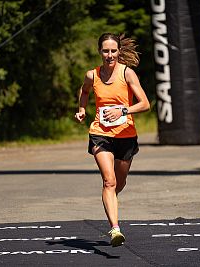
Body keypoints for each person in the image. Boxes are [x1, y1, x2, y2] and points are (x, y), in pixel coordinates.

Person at [75, 33, 150, 247]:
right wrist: (82, 109)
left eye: (113, 51)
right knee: (109, 181)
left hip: (126, 135)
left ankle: (110, 199)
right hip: (100, 133)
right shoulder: (92, 75)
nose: (110, 55)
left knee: (119, 182)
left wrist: (122, 111)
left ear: (119, 52)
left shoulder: (127, 74)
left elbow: (145, 104)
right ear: (100, 51)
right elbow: (85, 90)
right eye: (106, 51)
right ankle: (115, 229)